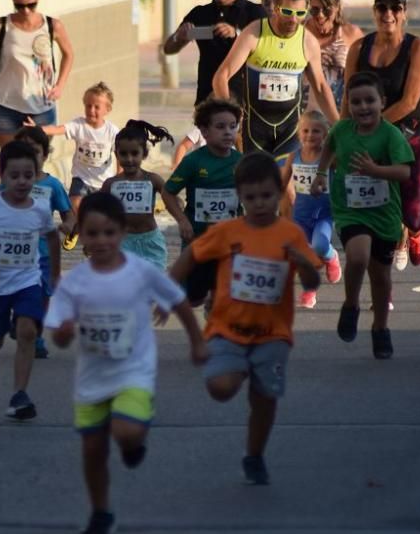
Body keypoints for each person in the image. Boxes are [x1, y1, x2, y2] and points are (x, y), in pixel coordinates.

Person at [45, 192, 207, 534]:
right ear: (81, 237)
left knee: (125, 432)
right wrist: (64, 332)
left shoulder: (139, 271)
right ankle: (100, 511)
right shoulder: (74, 283)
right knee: (92, 451)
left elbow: (177, 299)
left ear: (122, 233)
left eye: (109, 233)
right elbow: (57, 336)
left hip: (134, 371)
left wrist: (197, 341)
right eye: (92, 233)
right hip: (92, 379)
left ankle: (136, 438)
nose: (101, 241)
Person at [170, 152, 322, 486]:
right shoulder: (228, 231)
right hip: (228, 329)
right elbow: (191, 255)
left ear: (279, 193)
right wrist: (168, 291)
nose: (259, 203)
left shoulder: (290, 234)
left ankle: (254, 455)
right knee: (221, 388)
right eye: (251, 197)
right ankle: (237, 368)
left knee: (264, 399)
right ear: (240, 197)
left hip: (273, 334)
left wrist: (304, 264)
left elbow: (312, 282)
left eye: (267, 196)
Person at [314, 72, 413, 360]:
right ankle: (351, 304)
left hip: (384, 213)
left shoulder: (391, 135)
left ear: (382, 102)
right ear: (348, 104)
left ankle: (380, 328)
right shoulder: (342, 130)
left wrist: (376, 171)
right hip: (350, 208)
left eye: (370, 100)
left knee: (381, 276)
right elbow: (329, 147)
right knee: (357, 256)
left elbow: (406, 171)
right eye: (356, 102)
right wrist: (321, 173)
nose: (363, 107)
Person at [0, 141, 60, 421]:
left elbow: (53, 237)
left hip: (27, 281)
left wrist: (55, 274)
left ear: (36, 174)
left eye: (28, 176)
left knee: (28, 332)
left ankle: (20, 394)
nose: (22, 182)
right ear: (1, 177)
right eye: (15, 176)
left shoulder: (40, 209)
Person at [343, 0, 420, 271]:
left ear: (404, 13)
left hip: (412, 135)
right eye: (382, 7)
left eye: (395, 8)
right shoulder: (360, 47)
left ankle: (415, 231)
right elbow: (348, 96)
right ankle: (394, 247)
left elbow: (409, 102)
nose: (388, 14)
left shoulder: (417, 48)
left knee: (413, 212)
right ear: (374, 11)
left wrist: (371, 127)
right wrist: (343, 137)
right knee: (382, 208)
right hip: (373, 139)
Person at [211, 0, 340, 157]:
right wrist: (229, 120)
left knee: (284, 181)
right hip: (255, 128)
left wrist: (340, 128)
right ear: (277, 8)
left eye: (300, 13)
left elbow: (320, 87)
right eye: (287, 12)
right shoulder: (254, 33)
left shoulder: (307, 41)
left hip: (290, 128)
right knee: (258, 182)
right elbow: (221, 77)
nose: (293, 19)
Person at [161, 98, 243, 306]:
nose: (228, 132)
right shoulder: (193, 161)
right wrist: (182, 221)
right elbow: (168, 192)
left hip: (230, 238)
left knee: (224, 290)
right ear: (204, 132)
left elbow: (252, 195)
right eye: (220, 127)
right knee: (193, 297)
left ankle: (216, 317)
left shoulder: (241, 161)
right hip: (197, 236)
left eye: (233, 127)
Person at [0, 0, 74, 148]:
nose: (25, 10)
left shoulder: (52, 26)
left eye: (31, 5)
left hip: (41, 108)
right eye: (19, 5)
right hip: (6, 106)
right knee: (10, 165)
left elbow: (69, 54)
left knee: (36, 164)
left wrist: (60, 85)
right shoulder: (1, 26)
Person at [28, 82, 118, 250]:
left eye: (97, 107)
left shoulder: (112, 131)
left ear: (107, 109)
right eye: (88, 106)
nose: (91, 110)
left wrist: (120, 176)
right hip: (81, 177)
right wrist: (39, 129)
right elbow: (58, 129)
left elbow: (119, 153)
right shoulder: (79, 125)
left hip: (104, 180)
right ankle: (80, 229)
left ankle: (93, 237)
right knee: (74, 202)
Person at [162, 0, 266, 106]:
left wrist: (237, 35)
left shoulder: (255, 12)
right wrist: (179, 37)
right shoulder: (200, 14)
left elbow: (267, 48)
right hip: (207, 99)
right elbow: (168, 48)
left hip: (245, 100)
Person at [9, 125, 73, 359]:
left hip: (44, 254)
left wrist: (68, 226)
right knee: (18, 292)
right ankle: (20, 319)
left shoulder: (52, 185)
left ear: (45, 155)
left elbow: (69, 214)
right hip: (13, 253)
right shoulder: (8, 183)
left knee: (43, 295)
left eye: (34, 150)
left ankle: (35, 335)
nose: (29, 155)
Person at [100, 120, 180, 270]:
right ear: (116, 154)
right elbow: (96, 209)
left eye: (134, 153)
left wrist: (178, 208)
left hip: (150, 241)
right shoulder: (111, 184)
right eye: (123, 154)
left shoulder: (153, 179)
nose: (129, 159)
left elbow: (171, 196)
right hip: (122, 242)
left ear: (145, 153)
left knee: (153, 285)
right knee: (126, 285)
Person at [281, 110, 339, 308]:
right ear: (299, 134)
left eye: (316, 131)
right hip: (301, 216)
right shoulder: (294, 156)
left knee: (321, 246)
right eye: (305, 130)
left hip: (324, 214)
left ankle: (332, 257)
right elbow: (282, 183)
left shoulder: (329, 157)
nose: (310, 135)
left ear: (325, 134)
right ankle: (309, 290)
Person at [303, 0, 363, 112]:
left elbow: (363, 76)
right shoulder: (300, 32)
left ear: (337, 7)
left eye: (327, 9)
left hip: (340, 113)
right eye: (314, 10)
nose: (320, 15)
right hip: (304, 118)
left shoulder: (351, 34)